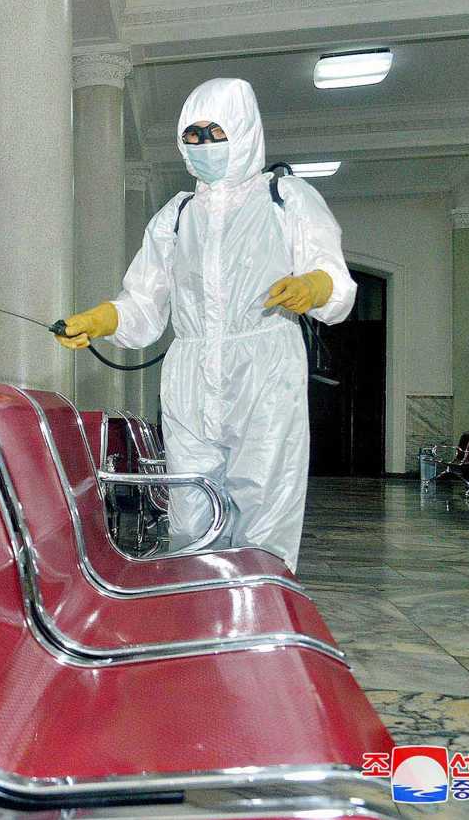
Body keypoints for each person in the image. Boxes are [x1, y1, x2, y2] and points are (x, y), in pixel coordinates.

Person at [56, 77, 356, 571]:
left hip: (264, 366)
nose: (202, 146)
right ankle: (199, 612)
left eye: (214, 132)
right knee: (190, 506)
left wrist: (314, 287)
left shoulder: (286, 198)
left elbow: (337, 284)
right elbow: (143, 305)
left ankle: (258, 616)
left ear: (243, 131)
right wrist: (100, 319)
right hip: (190, 372)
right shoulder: (175, 216)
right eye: (191, 136)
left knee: (265, 504)